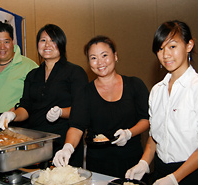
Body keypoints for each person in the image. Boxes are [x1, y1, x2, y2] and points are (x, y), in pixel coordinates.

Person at [125, 20, 198, 185]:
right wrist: (144, 162)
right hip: (161, 171)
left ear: (189, 45)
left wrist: (174, 178)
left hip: (194, 174)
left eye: (172, 46)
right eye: (160, 49)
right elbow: (155, 137)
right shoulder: (157, 90)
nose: (165, 55)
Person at [52, 35, 150, 178]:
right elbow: (77, 126)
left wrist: (129, 133)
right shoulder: (85, 92)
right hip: (98, 164)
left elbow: (146, 119)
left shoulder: (135, 85)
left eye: (104, 55)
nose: (100, 62)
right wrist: (67, 148)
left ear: (115, 56)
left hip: (132, 161)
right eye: (93, 58)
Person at [0, 24, 89, 167]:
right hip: (36, 144)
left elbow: (82, 110)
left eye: (53, 40)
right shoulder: (32, 75)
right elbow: (26, 107)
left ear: (61, 44)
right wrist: (13, 115)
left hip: (65, 142)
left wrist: (61, 112)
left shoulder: (75, 72)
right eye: (43, 40)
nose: (47, 45)